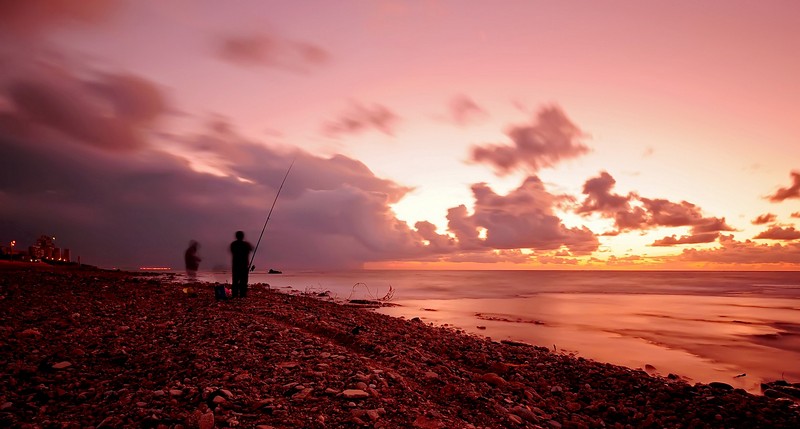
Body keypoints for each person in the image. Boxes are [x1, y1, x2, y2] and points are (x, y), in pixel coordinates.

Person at [230, 231, 253, 298]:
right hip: (244, 265)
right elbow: (251, 249)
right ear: (242, 236)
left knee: (235, 281)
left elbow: (232, 251)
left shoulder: (233, 244)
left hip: (235, 265)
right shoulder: (246, 244)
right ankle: (242, 295)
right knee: (243, 281)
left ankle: (235, 295)